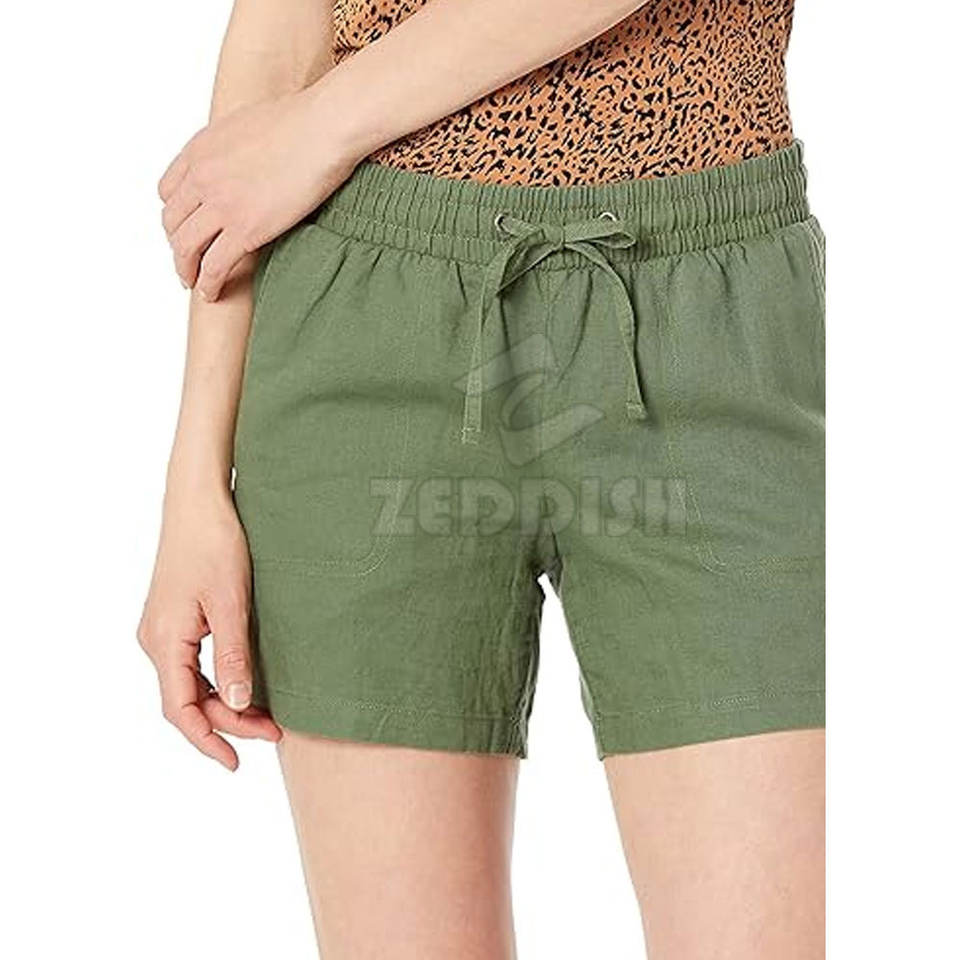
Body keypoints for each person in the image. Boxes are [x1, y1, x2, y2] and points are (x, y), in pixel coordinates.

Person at [139, 1, 825, 956]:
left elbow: (287, 138)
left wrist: (320, 128)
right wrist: (195, 477)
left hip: (704, 312)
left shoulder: (320, 130)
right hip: (365, 310)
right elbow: (279, 42)